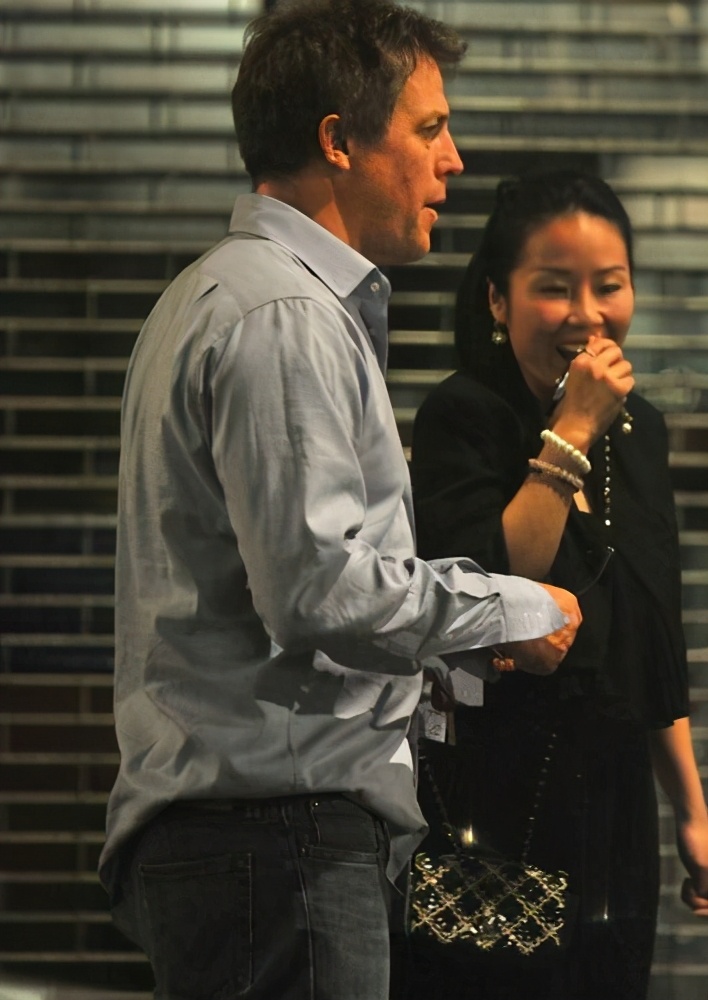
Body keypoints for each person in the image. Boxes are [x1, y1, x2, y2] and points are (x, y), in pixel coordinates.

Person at [97, 5, 582, 999]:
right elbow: (316, 589)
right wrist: (512, 607)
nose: (453, 160)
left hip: (253, 836)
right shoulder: (283, 314)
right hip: (278, 834)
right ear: (338, 140)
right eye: (429, 128)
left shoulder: (223, 296)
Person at [409, 169, 708, 1000]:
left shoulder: (639, 433)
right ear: (497, 301)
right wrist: (572, 427)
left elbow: (653, 640)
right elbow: (492, 592)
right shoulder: (464, 416)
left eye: (609, 285)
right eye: (553, 287)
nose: (587, 314)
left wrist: (691, 811)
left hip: (614, 807)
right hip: (496, 802)